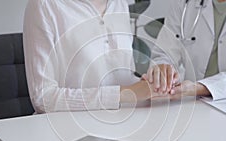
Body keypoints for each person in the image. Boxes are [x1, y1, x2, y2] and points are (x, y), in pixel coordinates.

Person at [23, 0, 166, 114]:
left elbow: (122, 77)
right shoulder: (45, 6)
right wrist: (124, 94)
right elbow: (43, 98)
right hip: (70, 137)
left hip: (122, 130)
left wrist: (155, 85)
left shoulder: (119, 4)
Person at [144, 0, 226, 100]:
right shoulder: (184, 2)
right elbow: (164, 52)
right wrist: (162, 69)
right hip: (193, 103)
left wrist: (199, 88)